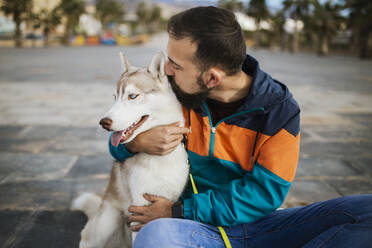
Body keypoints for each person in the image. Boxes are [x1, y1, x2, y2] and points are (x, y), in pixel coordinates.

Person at [108, 6, 372, 248]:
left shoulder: (280, 110)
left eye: (175, 65)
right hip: (197, 231)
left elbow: (265, 194)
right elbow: (118, 136)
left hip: (264, 226)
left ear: (212, 77)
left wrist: (178, 211)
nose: (165, 70)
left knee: (367, 210)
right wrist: (136, 143)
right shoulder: (177, 94)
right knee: (154, 237)